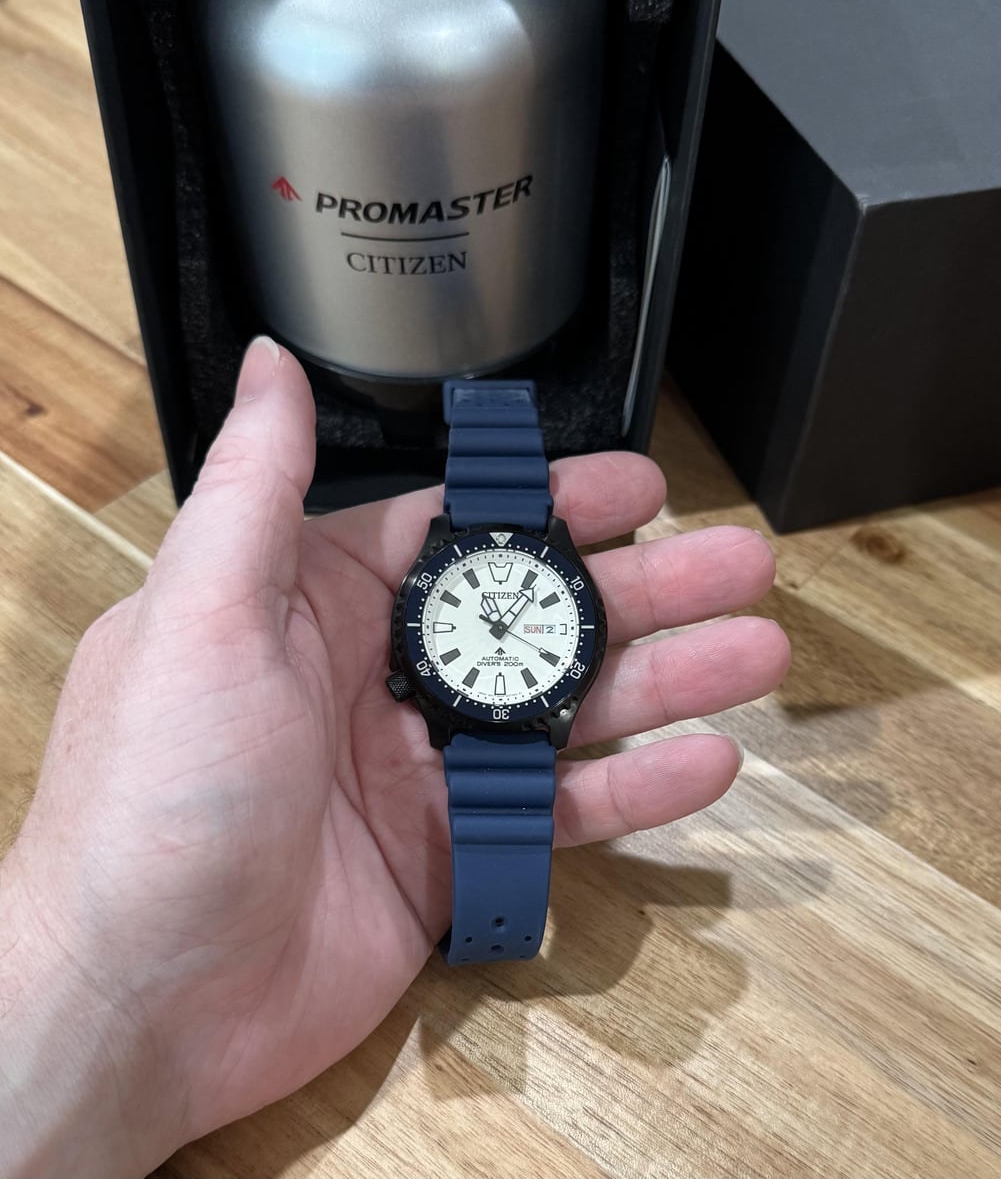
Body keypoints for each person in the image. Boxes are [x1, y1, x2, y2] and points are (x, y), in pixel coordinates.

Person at [0, 338, 790, 1178]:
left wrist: (94, 995)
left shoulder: (473, 597)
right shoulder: (457, 596)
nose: (496, 626)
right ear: (414, 636)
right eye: (476, 618)